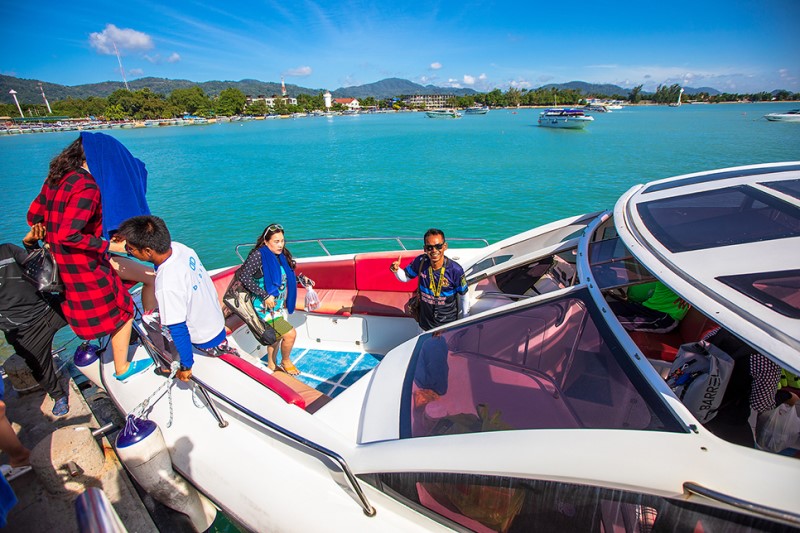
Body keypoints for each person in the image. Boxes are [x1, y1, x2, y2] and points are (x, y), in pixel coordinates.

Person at [27, 137, 153, 383]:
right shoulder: (87, 186)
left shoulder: (56, 179)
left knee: (105, 310)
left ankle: (113, 348)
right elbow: (69, 234)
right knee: (122, 311)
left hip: (60, 264)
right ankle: (122, 368)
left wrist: (45, 231)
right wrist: (107, 244)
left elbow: (33, 216)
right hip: (83, 265)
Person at [116, 215, 237, 382]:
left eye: (130, 249)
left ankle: (166, 364)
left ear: (148, 251)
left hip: (204, 339)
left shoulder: (167, 282)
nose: (129, 252)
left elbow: (178, 328)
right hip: (215, 323)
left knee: (148, 318)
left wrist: (186, 365)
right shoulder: (181, 249)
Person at [0, 225, 70, 416]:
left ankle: (121, 345)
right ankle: (58, 396)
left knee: (87, 311)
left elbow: (40, 267)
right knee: (39, 367)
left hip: (49, 309)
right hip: (23, 331)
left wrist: (30, 244)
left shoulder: (6, 250)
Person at [236, 224, 301, 375]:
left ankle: (272, 365)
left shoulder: (281, 256)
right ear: (266, 242)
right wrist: (264, 295)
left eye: (282, 241)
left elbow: (285, 277)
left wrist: (302, 280)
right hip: (262, 307)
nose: (280, 245)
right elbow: (243, 276)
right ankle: (286, 361)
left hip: (276, 306)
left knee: (276, 337)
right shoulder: (259, 255)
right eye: (276, 241)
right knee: (290, 334)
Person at [390, 228, 469, 331]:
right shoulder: (420, 261)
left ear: (445, 247)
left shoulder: (455, 270)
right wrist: (396, 270)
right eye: (430, 247)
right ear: (425, 249)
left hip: (448, 325)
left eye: (438, 246)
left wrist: (466, 320)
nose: (434, 251)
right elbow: (405, 278)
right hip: (424, 324)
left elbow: (464, 296)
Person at [608, 280, 689, 333]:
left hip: (666, 317)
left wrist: (689, 295)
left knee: (615, 324)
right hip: (647, 307)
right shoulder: (657, 268)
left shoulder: (681, 275)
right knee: (608, 309)